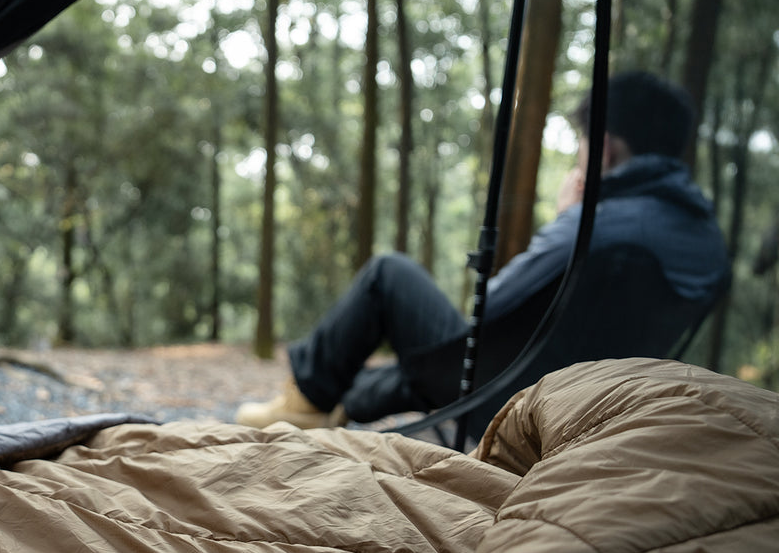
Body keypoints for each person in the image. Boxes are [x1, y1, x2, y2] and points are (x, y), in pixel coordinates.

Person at [236, 70, 729, 429]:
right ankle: (336, 406)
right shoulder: (709, 245)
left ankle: (306, 403)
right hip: (595, 412)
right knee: (410, 374)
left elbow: (489, 308)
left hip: (508, 399)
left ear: (602, 150)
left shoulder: (594, 226)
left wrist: (567, 218)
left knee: (388, 273)